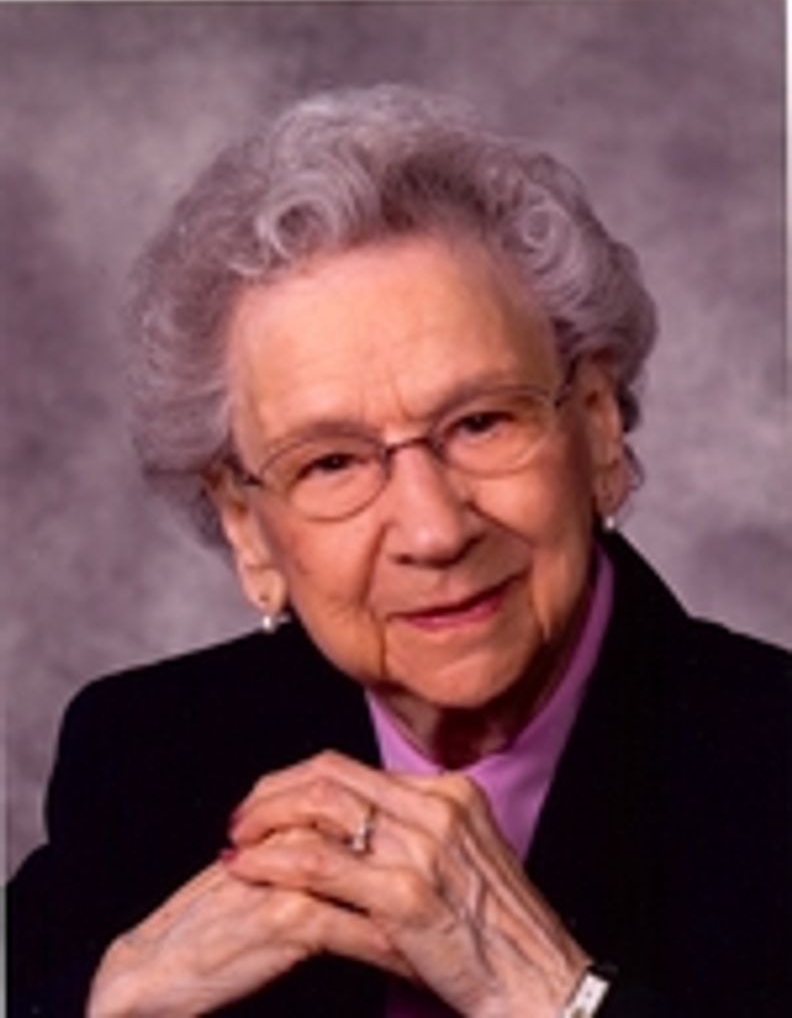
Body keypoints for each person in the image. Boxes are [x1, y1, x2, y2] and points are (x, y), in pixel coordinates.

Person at [7, 85, 790, 1018]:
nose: (433, 531)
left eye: (482, 421)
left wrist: (556, 997)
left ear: (596, 427)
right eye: (331, 462)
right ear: (247, 527)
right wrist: (111, 1000)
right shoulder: (146, 754)